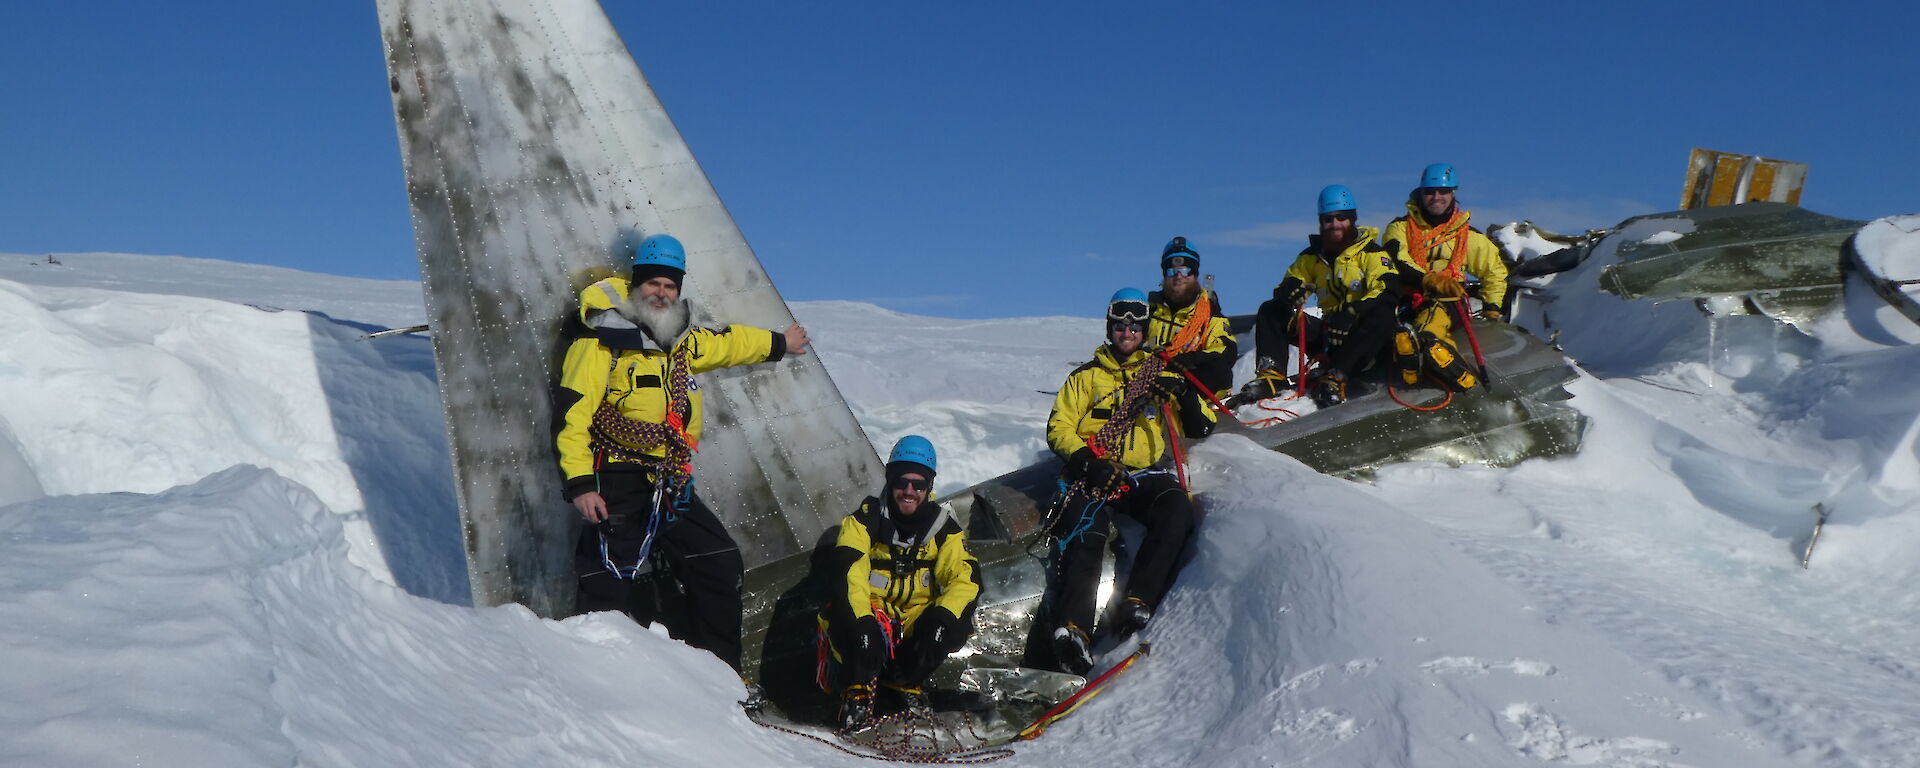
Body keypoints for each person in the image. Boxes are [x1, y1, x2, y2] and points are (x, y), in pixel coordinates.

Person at [554, 232, 812, 675]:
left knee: (718, 560)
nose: (661, 292)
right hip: (615, 478)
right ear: (637, 284)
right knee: (608, 582)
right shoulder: (600, 340)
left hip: (667, 482)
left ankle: (719, 681)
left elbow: (726, 344)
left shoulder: (679, 343)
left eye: (670, 285)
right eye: (653, 283)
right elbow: (571, 416)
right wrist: (580, 485)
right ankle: (588, 683)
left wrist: (778, 344)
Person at [1044, 288, 1216, 675]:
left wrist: (1183, 395)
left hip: (1142, 474)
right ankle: (1073, 631)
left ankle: (1138, 601)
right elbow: (1059, 428)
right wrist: (1089, 462)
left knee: (1175, 511)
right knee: (1087, 532)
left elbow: (1202, 425)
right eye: (1120, 325)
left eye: (1135, 326)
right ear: (1110, 329)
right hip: (1093, 473)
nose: (1127, 332)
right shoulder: (1085, 378)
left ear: (1144, 330)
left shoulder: (1161, 375)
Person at [818, 436, 981, 731]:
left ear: (928, 487)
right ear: (890, 481)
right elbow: (848, 574)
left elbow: (965, 579)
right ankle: (856, 689)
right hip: (871, 616)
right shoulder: (863, 523)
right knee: (845, 615)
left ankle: (903, 681)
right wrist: (862, 623)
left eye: (918, 484)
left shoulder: (943, 530)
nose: (909, 491)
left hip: (910, 620)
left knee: (951, 624)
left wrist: (942, 620)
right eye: (901, 482)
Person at [1239, 185, 1403, 407]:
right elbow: (1291, 281)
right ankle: (1271, 376)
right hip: (1330, 336)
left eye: (1341, 218)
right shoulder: (1311, 258)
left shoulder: (1371, 253)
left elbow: (1388, 290)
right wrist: (1288, 291)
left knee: (1383, 316)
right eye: (1328, 219)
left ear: (1353, 219)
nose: (1335, 225)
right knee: (1271, 309)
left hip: (1364, 339)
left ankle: (1337, 378)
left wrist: (1353, 312)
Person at [1381, 164, 1510, 391]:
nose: (1436, 197)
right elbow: (1397, 260)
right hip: (1408, 301)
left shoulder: (1468, 236)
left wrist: (1492, 305)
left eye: (1443, 192)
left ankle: (1450, 369)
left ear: (1453, 194)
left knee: (1429, 333)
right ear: (1420, 194)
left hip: (1450, 302)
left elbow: (1494, 271)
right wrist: (1429, 281)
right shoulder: (1400, 228)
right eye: (1429, 192)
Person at [1150, 237, 1238, 400]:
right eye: (1172, 271)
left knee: (1219, 371)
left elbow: (1226, 350)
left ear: (1195, 273)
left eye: (1185, 270)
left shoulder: (1209, 312)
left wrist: (1190, 359)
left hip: (1189, 383)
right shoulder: (1149, 309)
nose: (1178, 276)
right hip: (1151, 380)